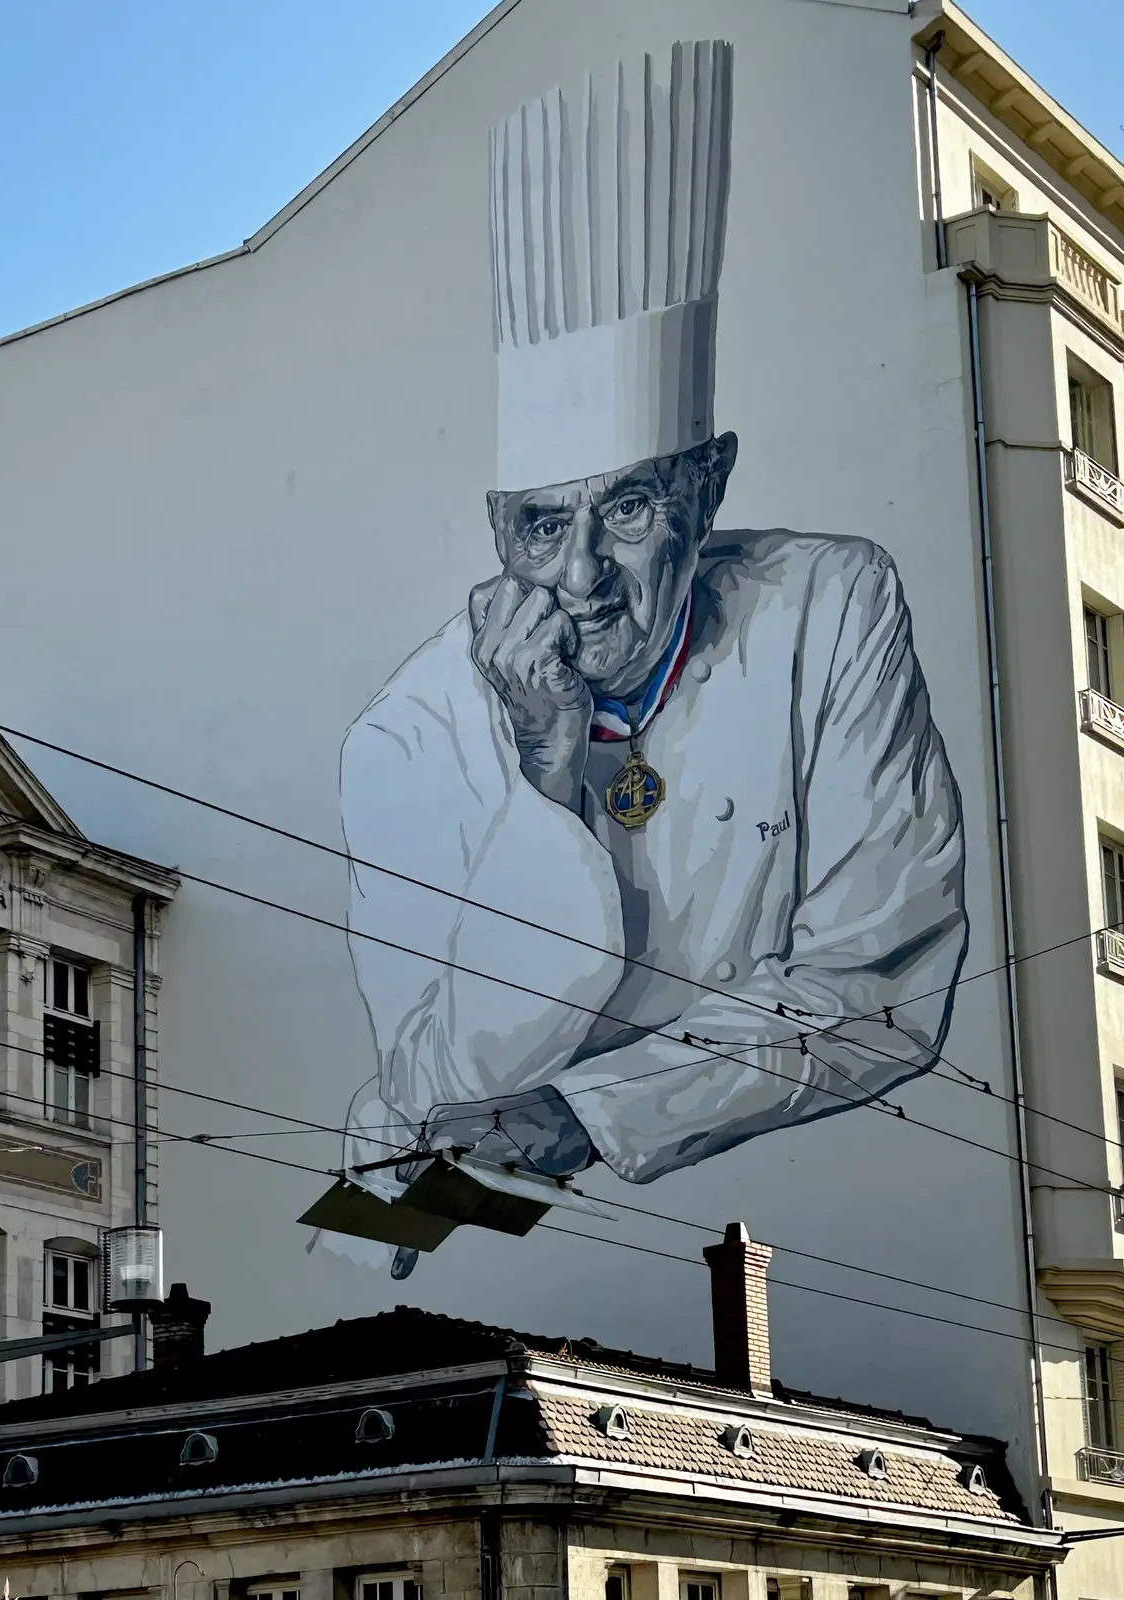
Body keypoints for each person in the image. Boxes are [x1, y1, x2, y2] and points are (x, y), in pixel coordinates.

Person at [334, 40, 967, 1247]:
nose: (578, 577)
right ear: (496, 530)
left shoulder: (830, 603)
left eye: (626, 507)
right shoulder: (409, 731)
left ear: (709, 484)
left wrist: (588, 1112)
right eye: (540, 525)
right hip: (423, 1230)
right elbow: (441, 1071)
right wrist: (538, 782)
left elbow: (881, 984)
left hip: (677, 1210)